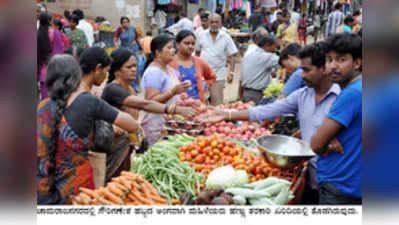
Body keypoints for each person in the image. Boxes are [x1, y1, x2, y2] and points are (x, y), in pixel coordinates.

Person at [37, 53, 140, 204]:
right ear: (77, 76)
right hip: (78, 192)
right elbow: (132, 124)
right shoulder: (88, 101)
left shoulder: (41, 106)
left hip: (42, 190)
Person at [310, 33, 362, 205]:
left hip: (340, 186)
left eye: (341, 60)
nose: (333, 66)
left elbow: (316, 144)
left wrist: (324, 139)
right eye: (329, 59)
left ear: (357, 63)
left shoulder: (352, 93)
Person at [141, 35, 194, 145]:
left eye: (173, 47)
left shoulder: (169, 69)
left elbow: (175, 93)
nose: (173, 50)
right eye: (169, 48)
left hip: (169, 123)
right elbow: (151, 102)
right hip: (157, 125)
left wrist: (182, 96)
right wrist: (173, 92)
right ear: (158, 53)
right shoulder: (153, 72)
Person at [195, 14, 238, 106]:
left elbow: (232, 56)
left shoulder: (226, 37)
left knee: (217, 104)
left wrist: (231, 73)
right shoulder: (201, 35)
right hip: (203, 76)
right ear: (208, 23)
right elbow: (197, 53)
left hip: (218, 75)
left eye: (216, 22)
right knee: (202, 103)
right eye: (212, 22)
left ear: (220, 23)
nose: (214, 24)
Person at [169, 30, 217, 103]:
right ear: (177, 45)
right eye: (186, 43)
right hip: (177, 107)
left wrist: (203, 86)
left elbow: (212, 77)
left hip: (198, 105)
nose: (190, 46)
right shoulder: (169, 63)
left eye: (193, 44)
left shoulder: (199, 62)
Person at [240, 35, 280, 104]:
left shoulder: (248, 55)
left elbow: (241, 79)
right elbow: (284, 62)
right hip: (257, 95)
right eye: (275, 47)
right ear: (267, 45)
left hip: (246, 93)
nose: (276, 49)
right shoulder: (267, 56)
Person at [37, 12, 65, 100]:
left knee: (45, 102)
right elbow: (59, 53)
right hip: (54, 73)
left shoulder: (37, 34)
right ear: (49, 22)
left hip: (42, 74)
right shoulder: (55, 33)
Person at [114, 16, 143, 92]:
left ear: (129, 23)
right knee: (126, 68)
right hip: (124, 50)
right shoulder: (119, 30)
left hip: (134, 50)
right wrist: (117, 48)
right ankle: (128, 86)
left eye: (127, 22)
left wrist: (141, 48)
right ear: (121, 23)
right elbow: (115, 39)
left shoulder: (133, 29)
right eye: (123, 22)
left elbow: (137, 39)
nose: (125, 23)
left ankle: (136, 86)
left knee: (135, 68)